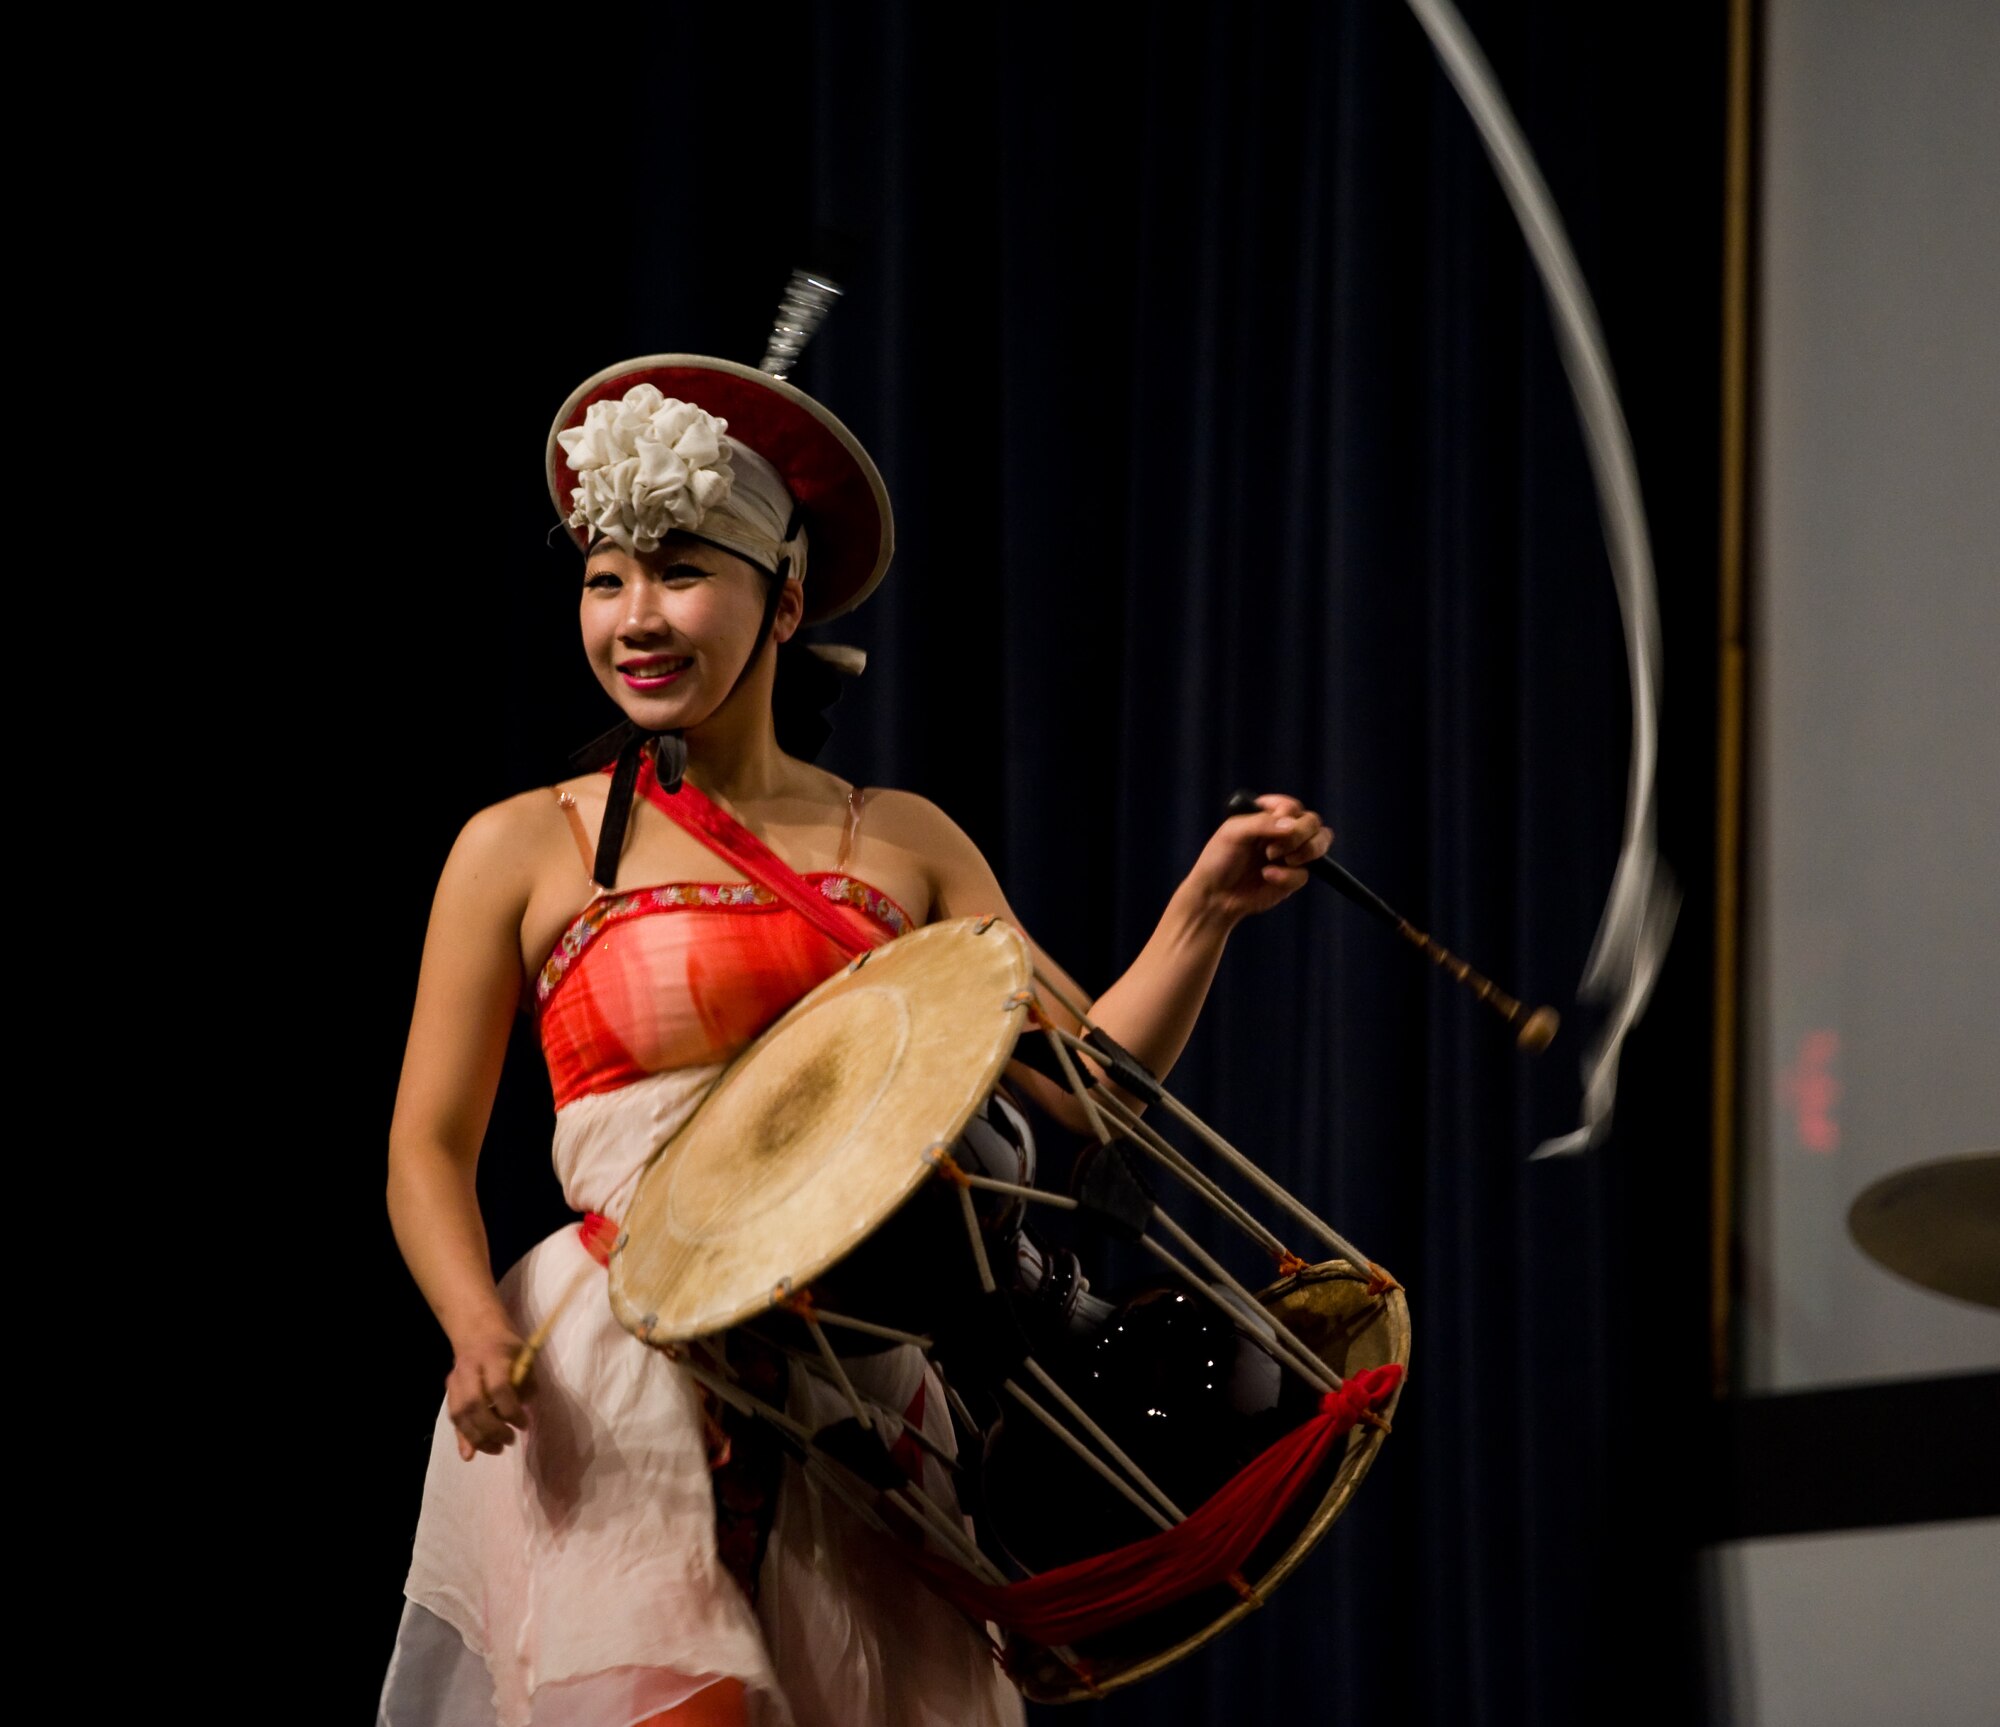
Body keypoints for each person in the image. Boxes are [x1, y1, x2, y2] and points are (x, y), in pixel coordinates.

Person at [379, 352, 1333, 1727]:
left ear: (788, 598)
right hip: (622, 1370)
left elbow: (1083, 1096)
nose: (636, 620)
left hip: (862, 1389)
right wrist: (475, 1331)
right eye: (605, 581)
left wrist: (1206, 912)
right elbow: (428, 1143)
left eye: (681, 573)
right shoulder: (524, 847)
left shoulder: (899, 838)